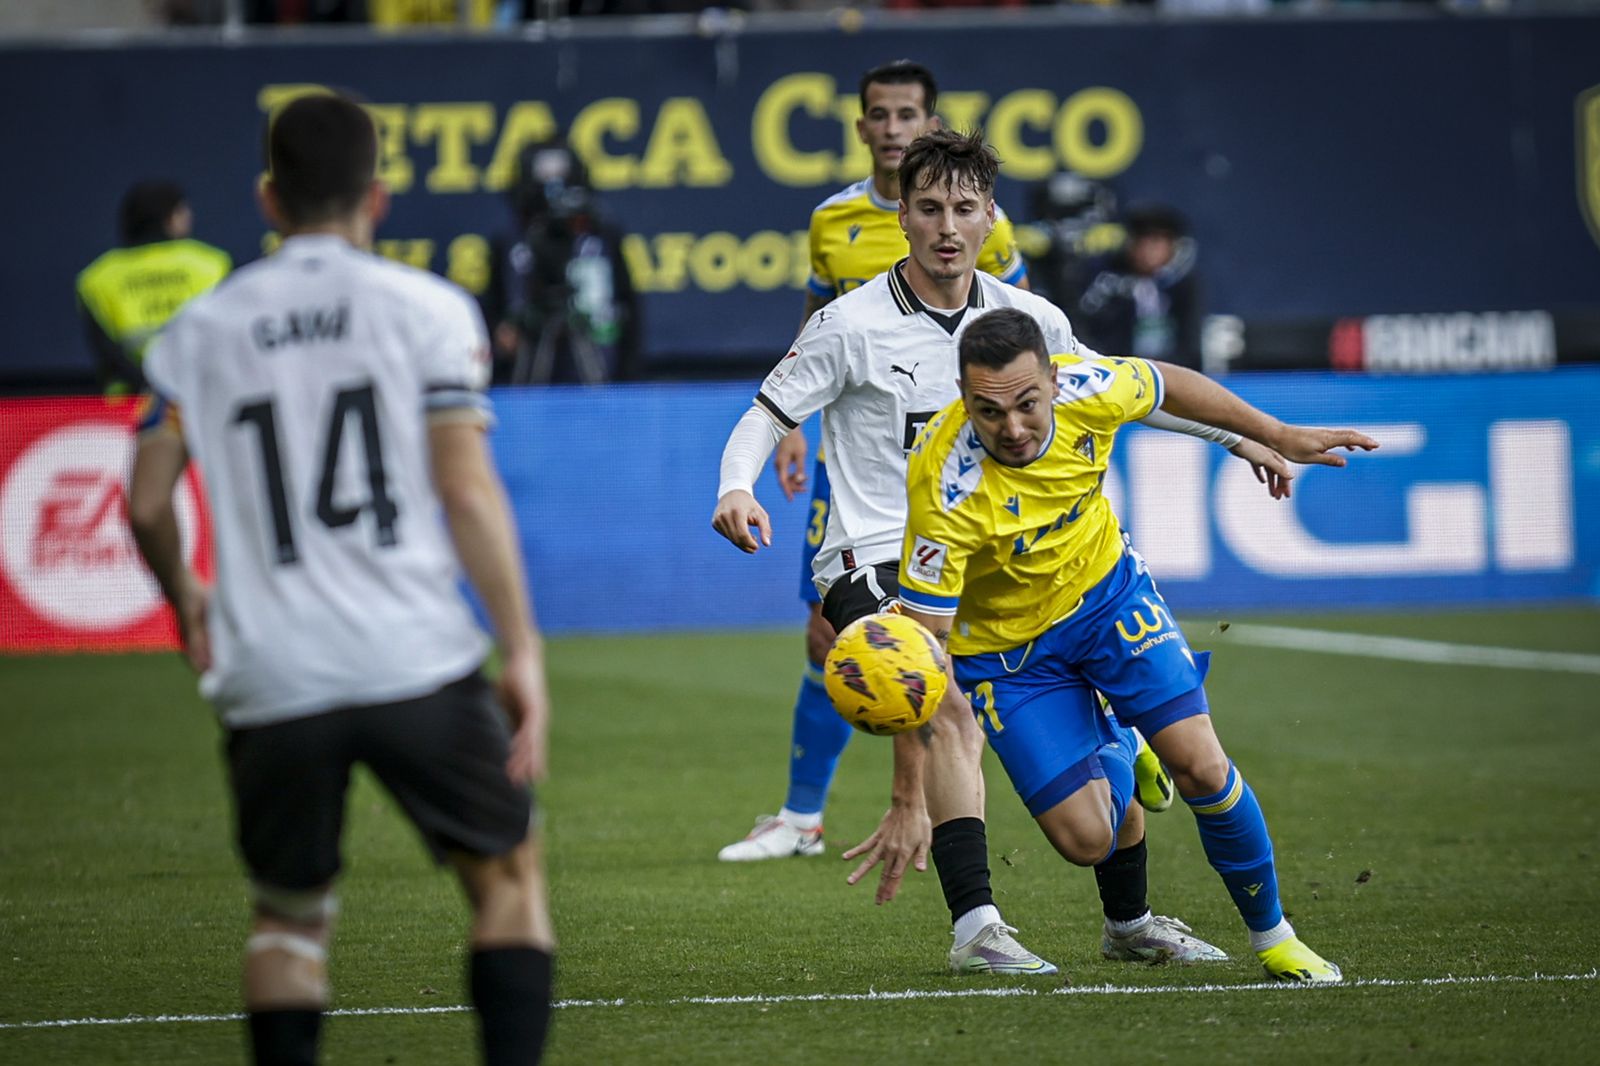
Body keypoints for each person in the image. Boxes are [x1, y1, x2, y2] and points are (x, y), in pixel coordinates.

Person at [713, 129, 1279, 974]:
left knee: (1082, 808)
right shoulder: (849, 324)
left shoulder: (1029, 322)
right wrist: (736, 486)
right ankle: (975, 927)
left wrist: (1237, 439)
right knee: (938, 701)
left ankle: (1127, 915)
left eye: (965, 209)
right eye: (930, 208)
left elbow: (1116, 393)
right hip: (873, 556)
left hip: (990, 564)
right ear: (901, 215)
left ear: (990, 219)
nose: (947, 226)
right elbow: (768, 412)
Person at [126, 93, 555, 1065]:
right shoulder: (429, 310)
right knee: (507, 880)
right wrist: (520, 648)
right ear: (381, 195)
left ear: (268, 198)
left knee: (287, 919)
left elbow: (148, 500)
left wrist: (186, 599)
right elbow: (467, 490)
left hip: (268, 670)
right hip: (415, 658)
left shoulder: (199, 330)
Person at [895, 307, 1379, 983]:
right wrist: (905, 786)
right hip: (1010, 659)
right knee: (1087, 840)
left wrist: (1272, 432)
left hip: (1110, 600)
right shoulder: (942, 485)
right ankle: (1124, 738)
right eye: (988, 411)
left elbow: (1167, 382)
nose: (1012, 428)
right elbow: (925, 649)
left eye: (1028, 405)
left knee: (1203, 766)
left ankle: (1275, 937)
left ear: (1055, 385)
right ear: (964, 398)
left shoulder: (1092, 385)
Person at [718, 58, 1029, 866]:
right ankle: (803, 814)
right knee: (829, 636)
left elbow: (1024, 343)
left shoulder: (985, 245)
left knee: (953, 654)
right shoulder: (834, 223)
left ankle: (1093, 746)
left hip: (958, 478)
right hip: (859, 460)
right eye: (880, 115)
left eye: (908, 114)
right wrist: (788, 429)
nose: (893, 128)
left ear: (930, 124)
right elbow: (814, 327)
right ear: (862, 127)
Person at [482, 136, 639, 384]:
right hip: (530, 364)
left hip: (595, 365)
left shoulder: (601, 234)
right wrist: (502, 333)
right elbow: (492, 308)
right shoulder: (510, 240)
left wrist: (630, 377)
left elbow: (630, 307)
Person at [76, 180, 231, 395]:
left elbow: (108, 353)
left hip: (132, 407)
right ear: (172, 218)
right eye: (184, 210)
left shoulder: (96, 278)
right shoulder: (213, 264)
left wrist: (152, 389)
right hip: (203, 396)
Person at [1076, 203, 1203, 372]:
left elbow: (1190, 342)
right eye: (1141, 242)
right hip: (1115, 373)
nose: (1148, 252)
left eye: (1156, 243)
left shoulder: (1182, 285)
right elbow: (1086, 332)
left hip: (1171, 375)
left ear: (1172, 247)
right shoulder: (1105, 283)